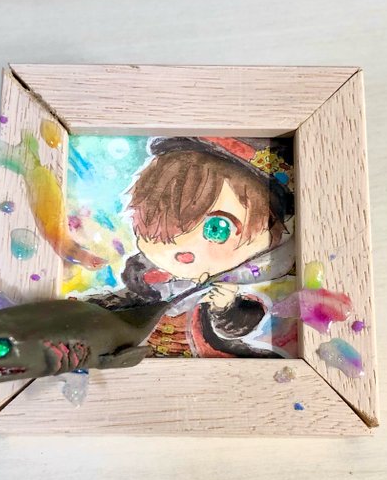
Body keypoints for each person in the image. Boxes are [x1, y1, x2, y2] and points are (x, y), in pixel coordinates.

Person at [90, 136, 296, 358]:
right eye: (160, 220)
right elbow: (131, 299)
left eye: (217, 229)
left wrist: (224, 308)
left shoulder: (250, 281)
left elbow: (241, 325)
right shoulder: (148, 273)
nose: (183, 248)